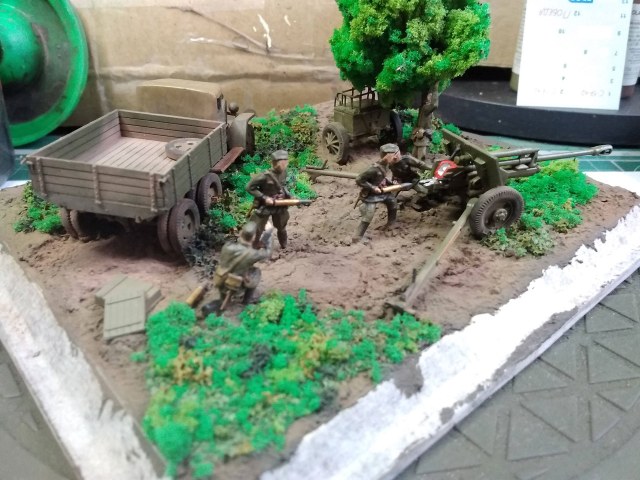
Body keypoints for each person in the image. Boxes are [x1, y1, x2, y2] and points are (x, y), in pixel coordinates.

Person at [201, 221, 273, 316]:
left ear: (241, 233)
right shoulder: (252, 254)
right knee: (256, 272)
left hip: (221, 278)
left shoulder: (227, 246)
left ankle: (223, 297)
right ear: (253, 238)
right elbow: (267, 253)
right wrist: (268, 234)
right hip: (236, 284)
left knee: (230, 278)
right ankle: (246, 300)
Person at [353, 143, 400, 243]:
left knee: (392, 201)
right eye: (393, 155)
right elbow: (359, 180)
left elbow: (382, 178)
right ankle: (357, 237)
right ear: (386, 156)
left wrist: (391, 183)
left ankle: (391, 223)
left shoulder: (386, 166)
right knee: (369, 213)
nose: (395, 157)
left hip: (382, 192)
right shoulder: (373, 169)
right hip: (371, 195)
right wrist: (373, 187)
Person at [246, 150, 291, 248]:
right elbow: (249, 187)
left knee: (281, 225)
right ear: (275, 163)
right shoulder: (265, 176)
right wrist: (264, 197)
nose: (284, 165)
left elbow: (283, 185)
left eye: (285, 162)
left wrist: (286, 194)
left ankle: (283, 244)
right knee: (257, 227)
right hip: (265, 205)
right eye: (282, 163)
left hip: (279, 204)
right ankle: (254, 245)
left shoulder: (284, 173)